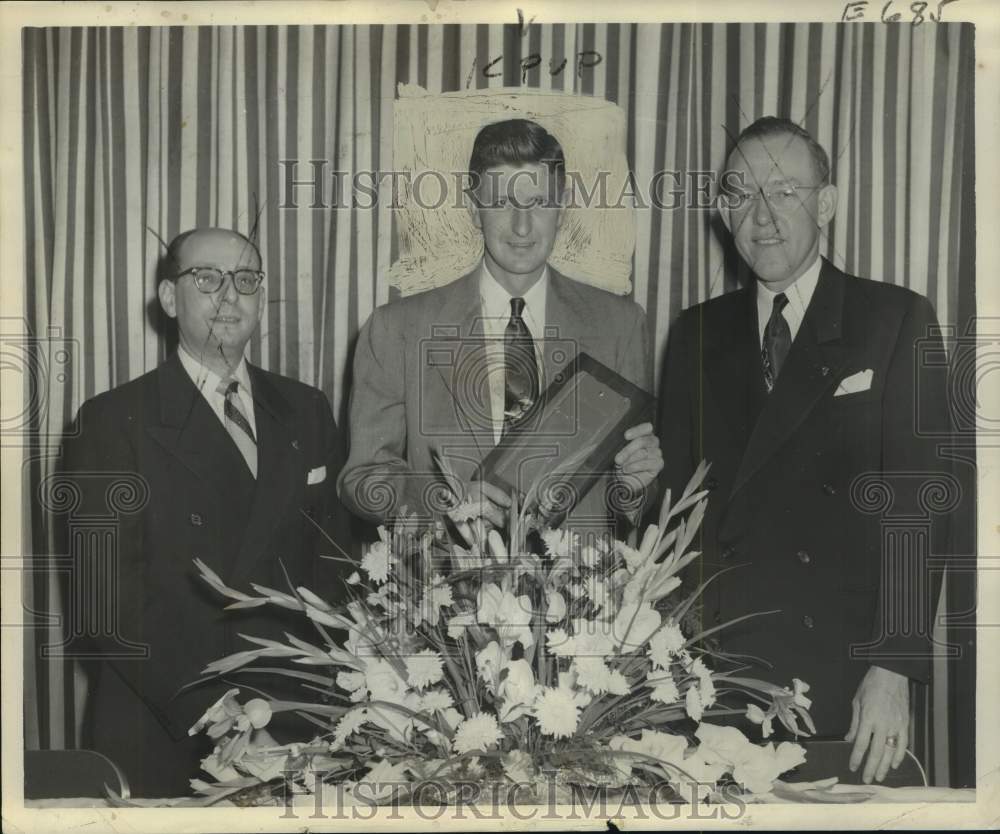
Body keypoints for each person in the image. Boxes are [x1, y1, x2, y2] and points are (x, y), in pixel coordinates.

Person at [659, 117, 951, 784]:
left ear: (826, 204)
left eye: (784, 192)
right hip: (719, 679)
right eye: (741, 194)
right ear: (723, 212)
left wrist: (892, 668)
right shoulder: (696, 333)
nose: (761, 216)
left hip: (846, 680)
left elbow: (920, 508)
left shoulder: (894, 319)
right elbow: (676, 518)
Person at [57, 228, 348, 796]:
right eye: (208, 279)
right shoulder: (110, 420)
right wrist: (221, 715)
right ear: (170, 299)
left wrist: (325, 700)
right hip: (171, 727)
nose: (230, 295)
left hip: (294, 721)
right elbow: (104, 604)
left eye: (246, 279)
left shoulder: (307, 409)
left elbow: (335, 570)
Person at [339, 118, 662, 536]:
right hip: (444, 575)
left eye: (539, 202)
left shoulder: (621, 325)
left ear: (563, 207)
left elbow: (630, 498)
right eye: (501, 202)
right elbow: (363, 479)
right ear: (474, 209)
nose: (522, 226)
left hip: (583, 577)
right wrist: (447, 503)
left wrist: (634, 487)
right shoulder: (396, 329)